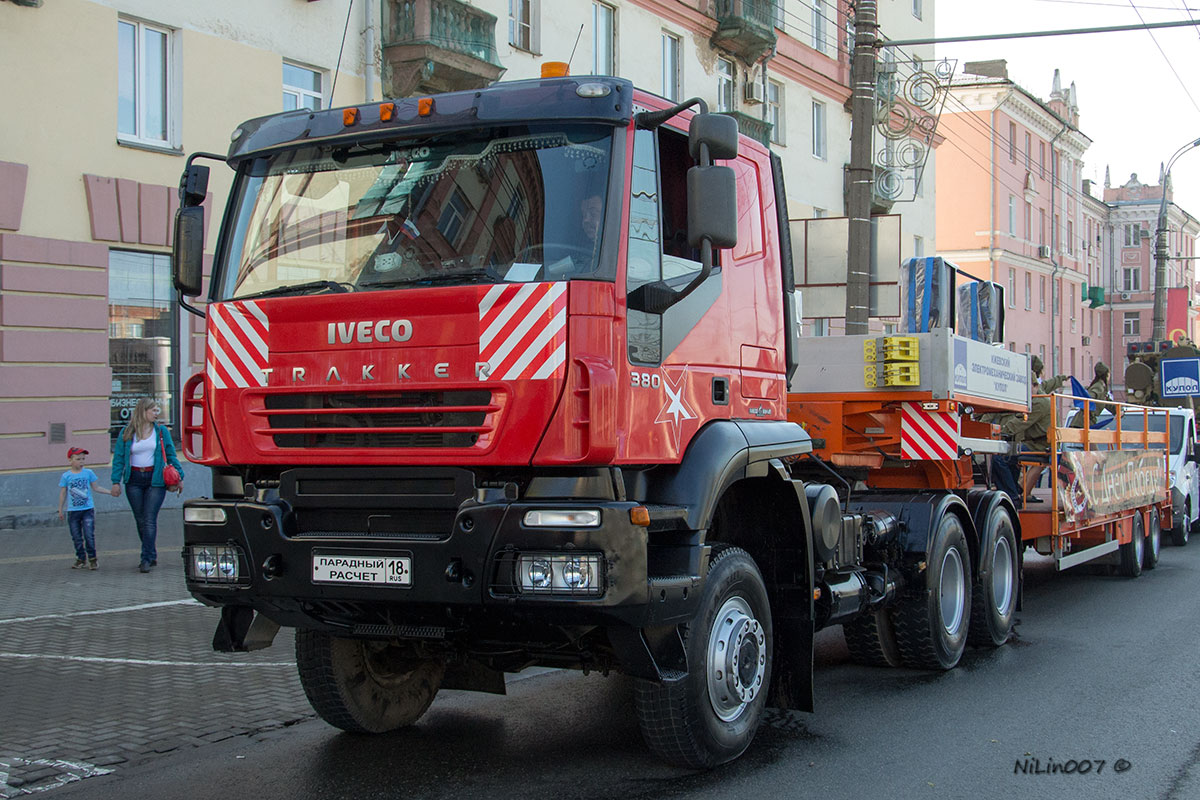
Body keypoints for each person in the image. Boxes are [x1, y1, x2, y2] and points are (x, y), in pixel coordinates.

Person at [110, 398, 184, 573]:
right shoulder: (127, 432)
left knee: (150, 519)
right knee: (140, 520)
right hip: (134, 479)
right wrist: (115, 482)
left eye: (157, 410)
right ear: (143, 412)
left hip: (155, 479)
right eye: (153, 410)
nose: (156, 414)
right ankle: (151, 553)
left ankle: (145, 559)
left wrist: (180, 475)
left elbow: (171, 454)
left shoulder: (161, 431)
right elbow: (119, 459)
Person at [992, 355, 1068, 504]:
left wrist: (996, 432)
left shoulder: (1038, 402)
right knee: (1009, 457)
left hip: (1040, 446)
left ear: (1034, 386)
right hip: (1039, 444)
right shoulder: (1037, 399)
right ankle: (1014, 491)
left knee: (999, 458)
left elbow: (1020, 422)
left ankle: (1012, 497)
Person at [57, 446, 112, 570]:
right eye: (78, 459)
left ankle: (93, 559)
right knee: (76, 536)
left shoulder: (88, 473)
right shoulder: (66, 476)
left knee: (89, 535)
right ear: (70, 460)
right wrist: (60, 509)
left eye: (83, 459)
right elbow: (63, 493)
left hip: (87, 509)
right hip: (73, 511)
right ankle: (81, 558)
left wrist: (110, 492)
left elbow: (96, 487)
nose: (81, 462)